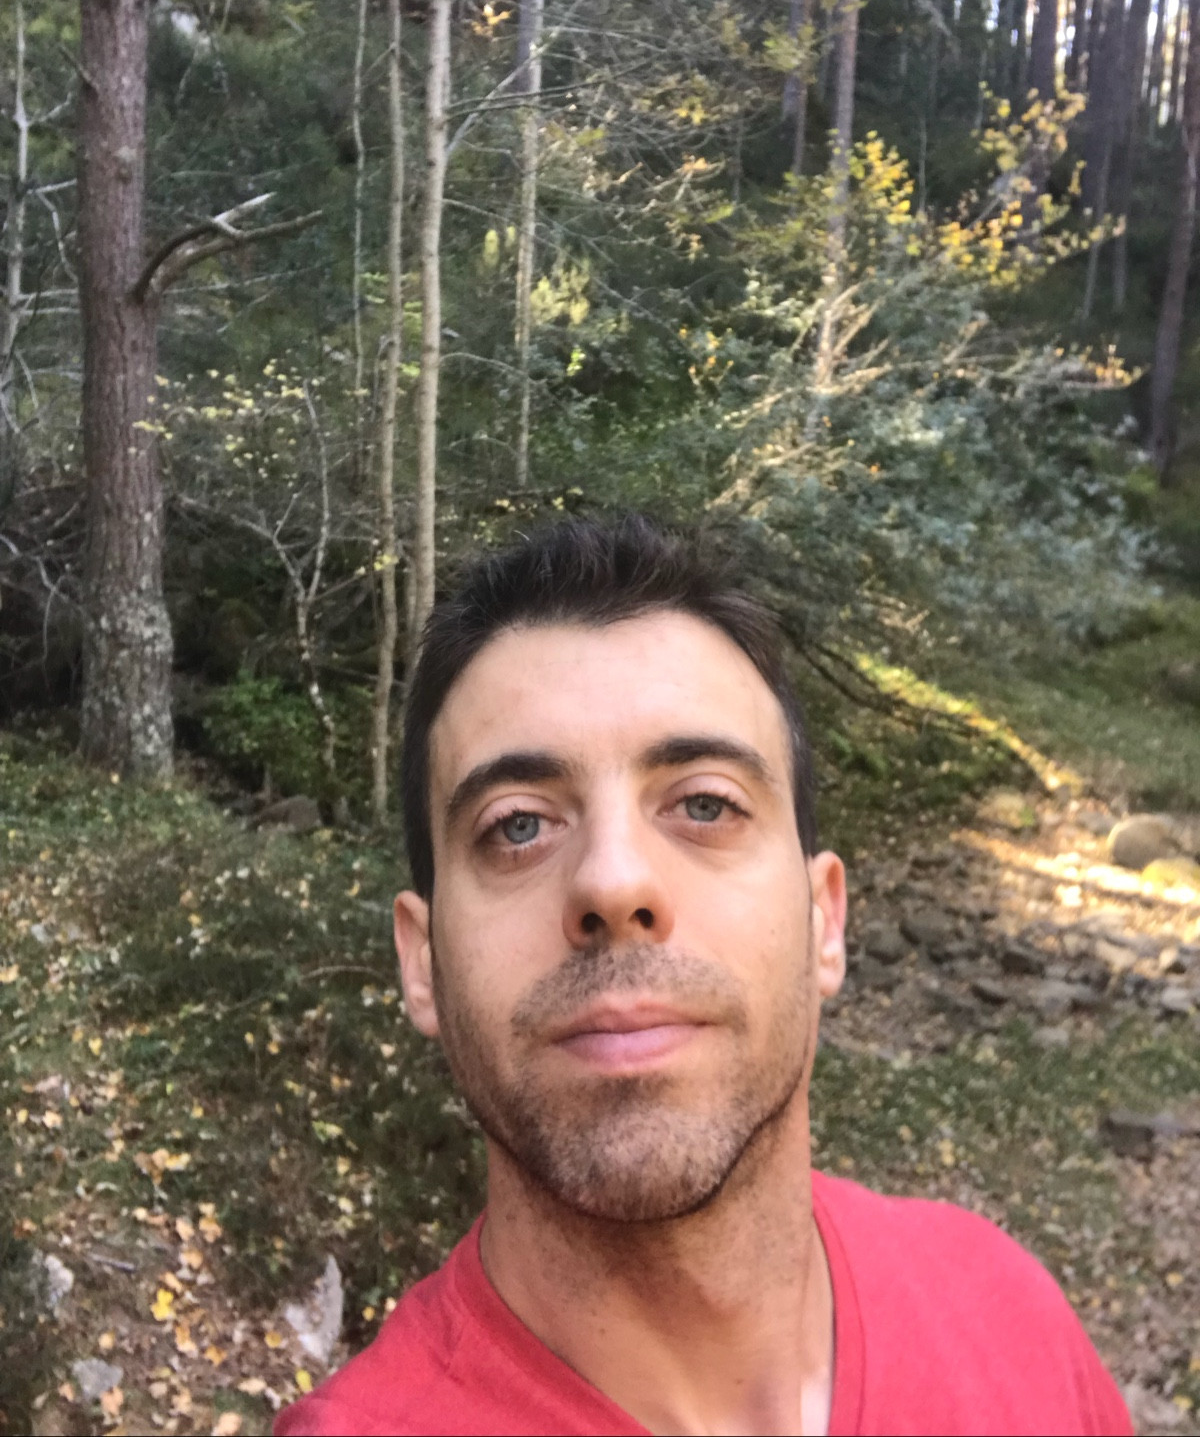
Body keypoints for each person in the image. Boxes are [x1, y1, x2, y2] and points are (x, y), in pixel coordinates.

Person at [276, 514, 1132, 1437]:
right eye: (518, 825)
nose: (613, 883)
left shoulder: (1009, 1315)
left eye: (707, 805)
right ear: (423, 962)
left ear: (824, 920)